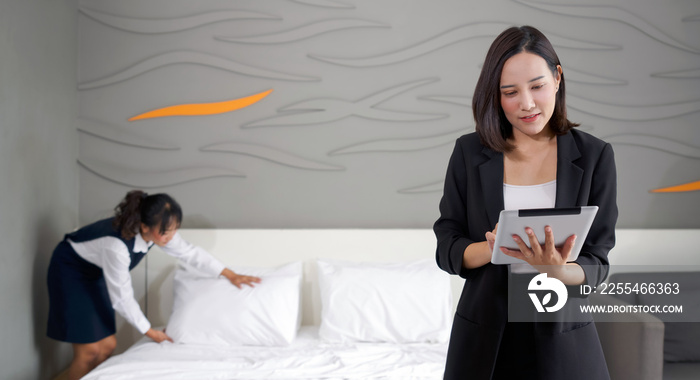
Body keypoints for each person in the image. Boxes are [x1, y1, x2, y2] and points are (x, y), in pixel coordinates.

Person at [433, 25, 617, 379]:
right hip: (486, 339)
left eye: (537, 86)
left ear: (557, 77)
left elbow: (598, 260)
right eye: (510, 92)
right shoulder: (469, 153)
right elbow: (447, 245)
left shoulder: (595, 156)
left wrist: (558, 270)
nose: (527, 104)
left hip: (563, 336)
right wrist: (496, 247)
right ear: (496, 95)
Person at [47, 190, 261, 380]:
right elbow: (122, 298)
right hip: (70, 271)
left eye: (174, 230)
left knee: (108, 346)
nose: (171, 237)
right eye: (166, 232)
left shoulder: (157, 232)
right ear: (144, 227)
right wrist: (150, 332)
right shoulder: (117, 246)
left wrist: (230, 275)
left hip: (96, 272)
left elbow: (190, 252)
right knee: (89, 352)